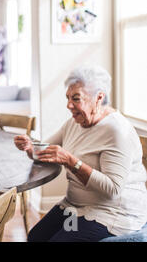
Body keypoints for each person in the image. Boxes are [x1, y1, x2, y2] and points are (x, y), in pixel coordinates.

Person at [14, 65, 147, 242]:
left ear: (99, 97)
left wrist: (71, 162)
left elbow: (113, 190)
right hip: (75, 205)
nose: (69, 105)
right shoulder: (75, 122)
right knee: (35, 237)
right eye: (68, 98)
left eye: (76, 99)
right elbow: (46, 152)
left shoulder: (116, 131)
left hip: (111, 212)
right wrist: (30, 148)